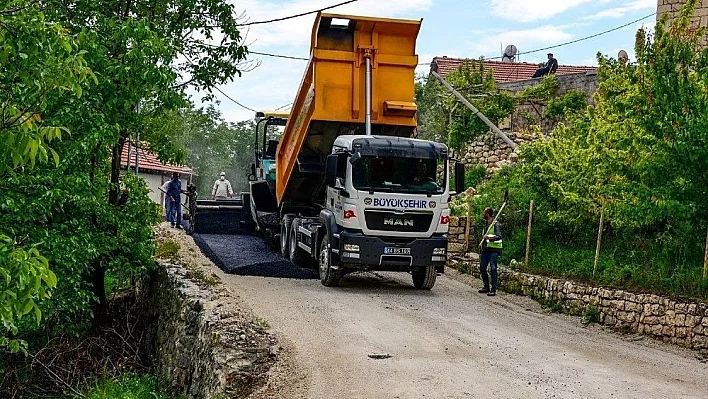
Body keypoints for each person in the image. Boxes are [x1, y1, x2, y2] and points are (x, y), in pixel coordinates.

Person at [479, 207, 503, 296]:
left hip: (494, 250)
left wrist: (489, 238)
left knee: (493, 268)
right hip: (486, 249)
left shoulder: (496, 225)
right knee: (482, 267)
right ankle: (486, 286)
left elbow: (499, 236)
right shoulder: (486, 224)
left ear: (488, 214)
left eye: (484, 213)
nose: (483, 214)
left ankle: (493, 289)